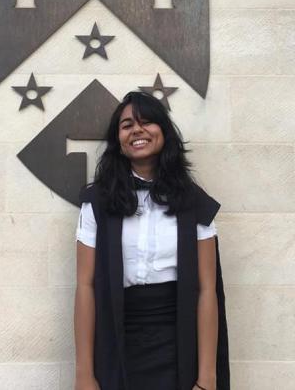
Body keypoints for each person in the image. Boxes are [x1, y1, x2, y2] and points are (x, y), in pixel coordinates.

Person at [74, 91, 230, 390]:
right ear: (118, 141)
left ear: (164, 132)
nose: (137, 130)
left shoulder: (194, 201)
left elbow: (207, 290)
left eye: (147, 122)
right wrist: (84, 374)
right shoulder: (96, 202)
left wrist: (208, 377)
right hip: (117, 336)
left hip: (179, 339)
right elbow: (85, 286)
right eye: (127, 125)